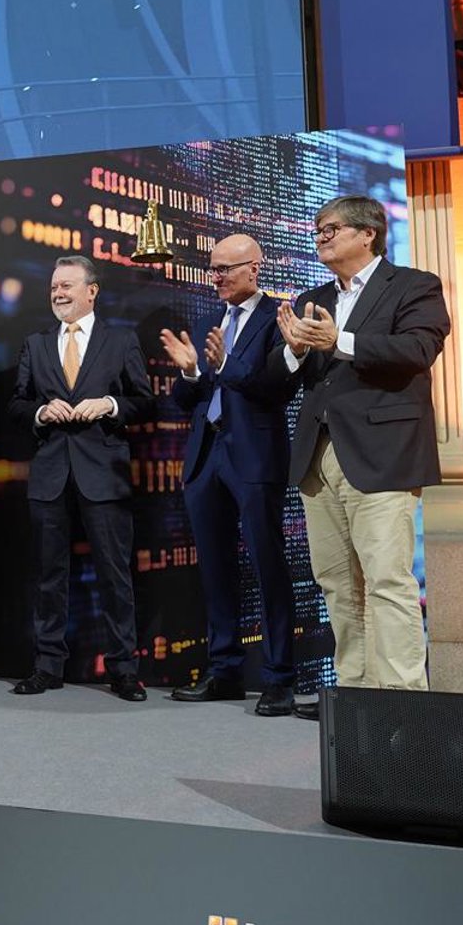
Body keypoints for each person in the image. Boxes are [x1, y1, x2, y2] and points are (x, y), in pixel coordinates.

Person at [268, 196, 449, 707]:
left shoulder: (413, 285)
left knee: (386, 580)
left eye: (330, 229)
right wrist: (294, 350)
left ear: (367, 233)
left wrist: (340, 341)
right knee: (336, 585)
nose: (320, 238)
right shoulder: (314, 297)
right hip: (318, 458)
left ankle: (402, 704)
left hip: (382, 453)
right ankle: (356, 699)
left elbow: (419, 349)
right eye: (317, 231)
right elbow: (281, 379)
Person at [159, 235, 298, 716]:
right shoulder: (207, 322)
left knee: (268, 566)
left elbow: (276, 386)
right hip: (206, 455)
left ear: (254, 268)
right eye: (212, 268)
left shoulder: (280, 318)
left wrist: (225, 364)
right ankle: (224, 671)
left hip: (255, 456)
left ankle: (279, 678)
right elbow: (187, 400)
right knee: (215, 569)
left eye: (225, 269)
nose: (215, 277)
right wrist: (191, 374)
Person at [9, 255, 154, 701]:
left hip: (103, 473)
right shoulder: (35, 344)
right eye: (54, 286)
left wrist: (110, 405)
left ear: (92, 291)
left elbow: (144, 401)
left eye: (67, 286)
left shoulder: (121, 340)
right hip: (50, 473)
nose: (58, 293)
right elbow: (16, 403)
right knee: (49, 575)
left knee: (114, 575)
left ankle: (123, 670)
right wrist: (39, 411)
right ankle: (47, 666)